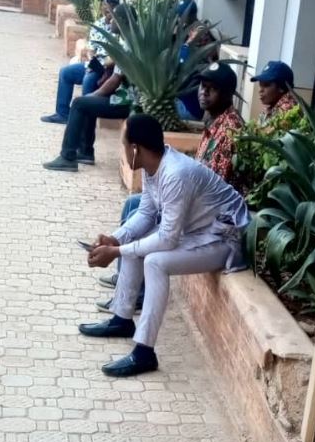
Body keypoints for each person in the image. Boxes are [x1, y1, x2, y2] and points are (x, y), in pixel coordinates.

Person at [78, 114, 250, 377]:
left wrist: (117, 252)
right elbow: (146, 213)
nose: (122, 152)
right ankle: (122, 320)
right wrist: (116, 239)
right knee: (138, 245)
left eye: (124, 145)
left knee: (155, 261)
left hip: (224, 239)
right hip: (196, 231)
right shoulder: (152, 167)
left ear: (135, 148)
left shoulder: (175, 174)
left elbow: (167, 239)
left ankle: (144, 353)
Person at [95, 61, 244, 311]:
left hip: (209, 218)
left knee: (139, 217)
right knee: (136, 208)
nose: (203, 93)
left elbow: (216, 182)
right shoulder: (213, 124)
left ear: (228, 94)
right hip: (188, 198)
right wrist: (115, 240)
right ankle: (125, 284)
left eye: (212, 89)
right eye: (202, 86)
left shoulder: (230, 130)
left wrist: (120, 248)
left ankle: (135, 289)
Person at [42, 5, 134, 171]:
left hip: (127, 103)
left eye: (113, 18)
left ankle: (68, 157)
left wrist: (93, 95)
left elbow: (115, 80)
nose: (110, 20)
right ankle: (85, 152)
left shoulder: (127, 46)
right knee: (87, 102)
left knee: (80, 103)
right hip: (125, 98)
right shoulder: (130, 41)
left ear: (121, 22)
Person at [41, 0, 120, 125]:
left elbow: (117, 56)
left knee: (88, 79)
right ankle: (63, 114)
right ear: (102, 5)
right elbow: (91, 47)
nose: (109, 7)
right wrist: (91, 59)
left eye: (113, 4)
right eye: (107, 3)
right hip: (94, 64)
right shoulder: (98, 24)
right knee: (65, 73)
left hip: (108, 69)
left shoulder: (118, 27)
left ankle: (84, 120)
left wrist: (101, 65)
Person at [252, 60, 297, 124]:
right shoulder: (273, 106)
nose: (260, 90)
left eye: (266, 85)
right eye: (260, 85)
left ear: (281, 87)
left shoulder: (286, 111)